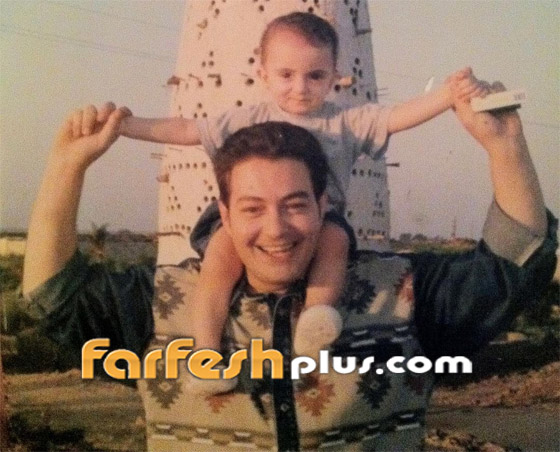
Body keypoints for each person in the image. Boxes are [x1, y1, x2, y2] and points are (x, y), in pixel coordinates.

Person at [22, 80, 557, 450]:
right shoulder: (162, 301)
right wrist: (67, 166)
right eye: (252, 208)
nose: (276, 229)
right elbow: (52, 297)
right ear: (223, 214)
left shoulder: (400, 293)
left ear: (325, 205)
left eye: (296, 204)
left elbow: (515, 266)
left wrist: (505, 146)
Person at [116, 12, 486, 370]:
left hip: (322, 220)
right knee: (219, 258)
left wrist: (448, 94)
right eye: (286, 75)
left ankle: (315, 320)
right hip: (245, 221)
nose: (300, 87)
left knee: (335, 242)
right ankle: (206, 352)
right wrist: (125, 126)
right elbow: (187, 130)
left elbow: (397, 117)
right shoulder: (246, 118)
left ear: (335, 76)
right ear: (263, 74)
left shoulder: (345, 121)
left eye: (315, 76)